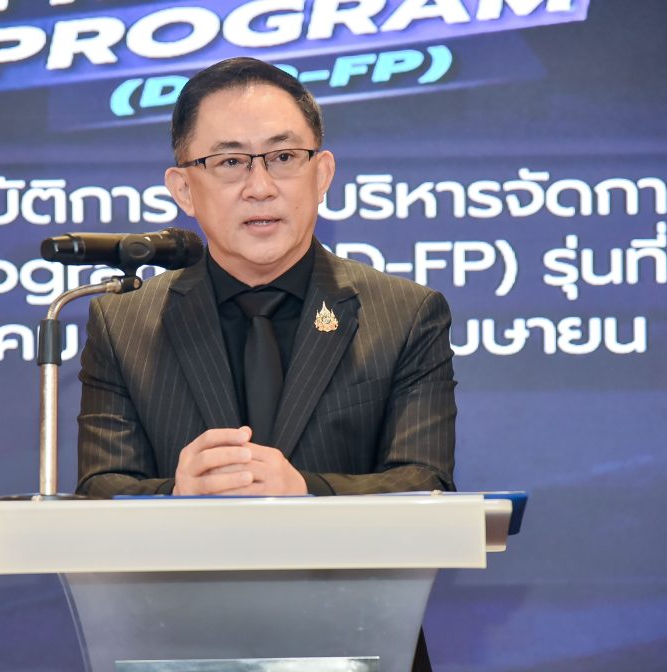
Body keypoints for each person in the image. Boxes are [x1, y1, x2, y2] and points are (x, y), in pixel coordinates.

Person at [75, 56, 455, 671]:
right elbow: (99, 490)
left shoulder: (406, 314)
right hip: (180, 648)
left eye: (283, 157)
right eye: (229, 162)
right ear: (183, 188)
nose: (260, 186)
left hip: (358, 644)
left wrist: (304, 490)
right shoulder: (124, 323)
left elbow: (426, 484)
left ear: (322, 173)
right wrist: (177, 493)